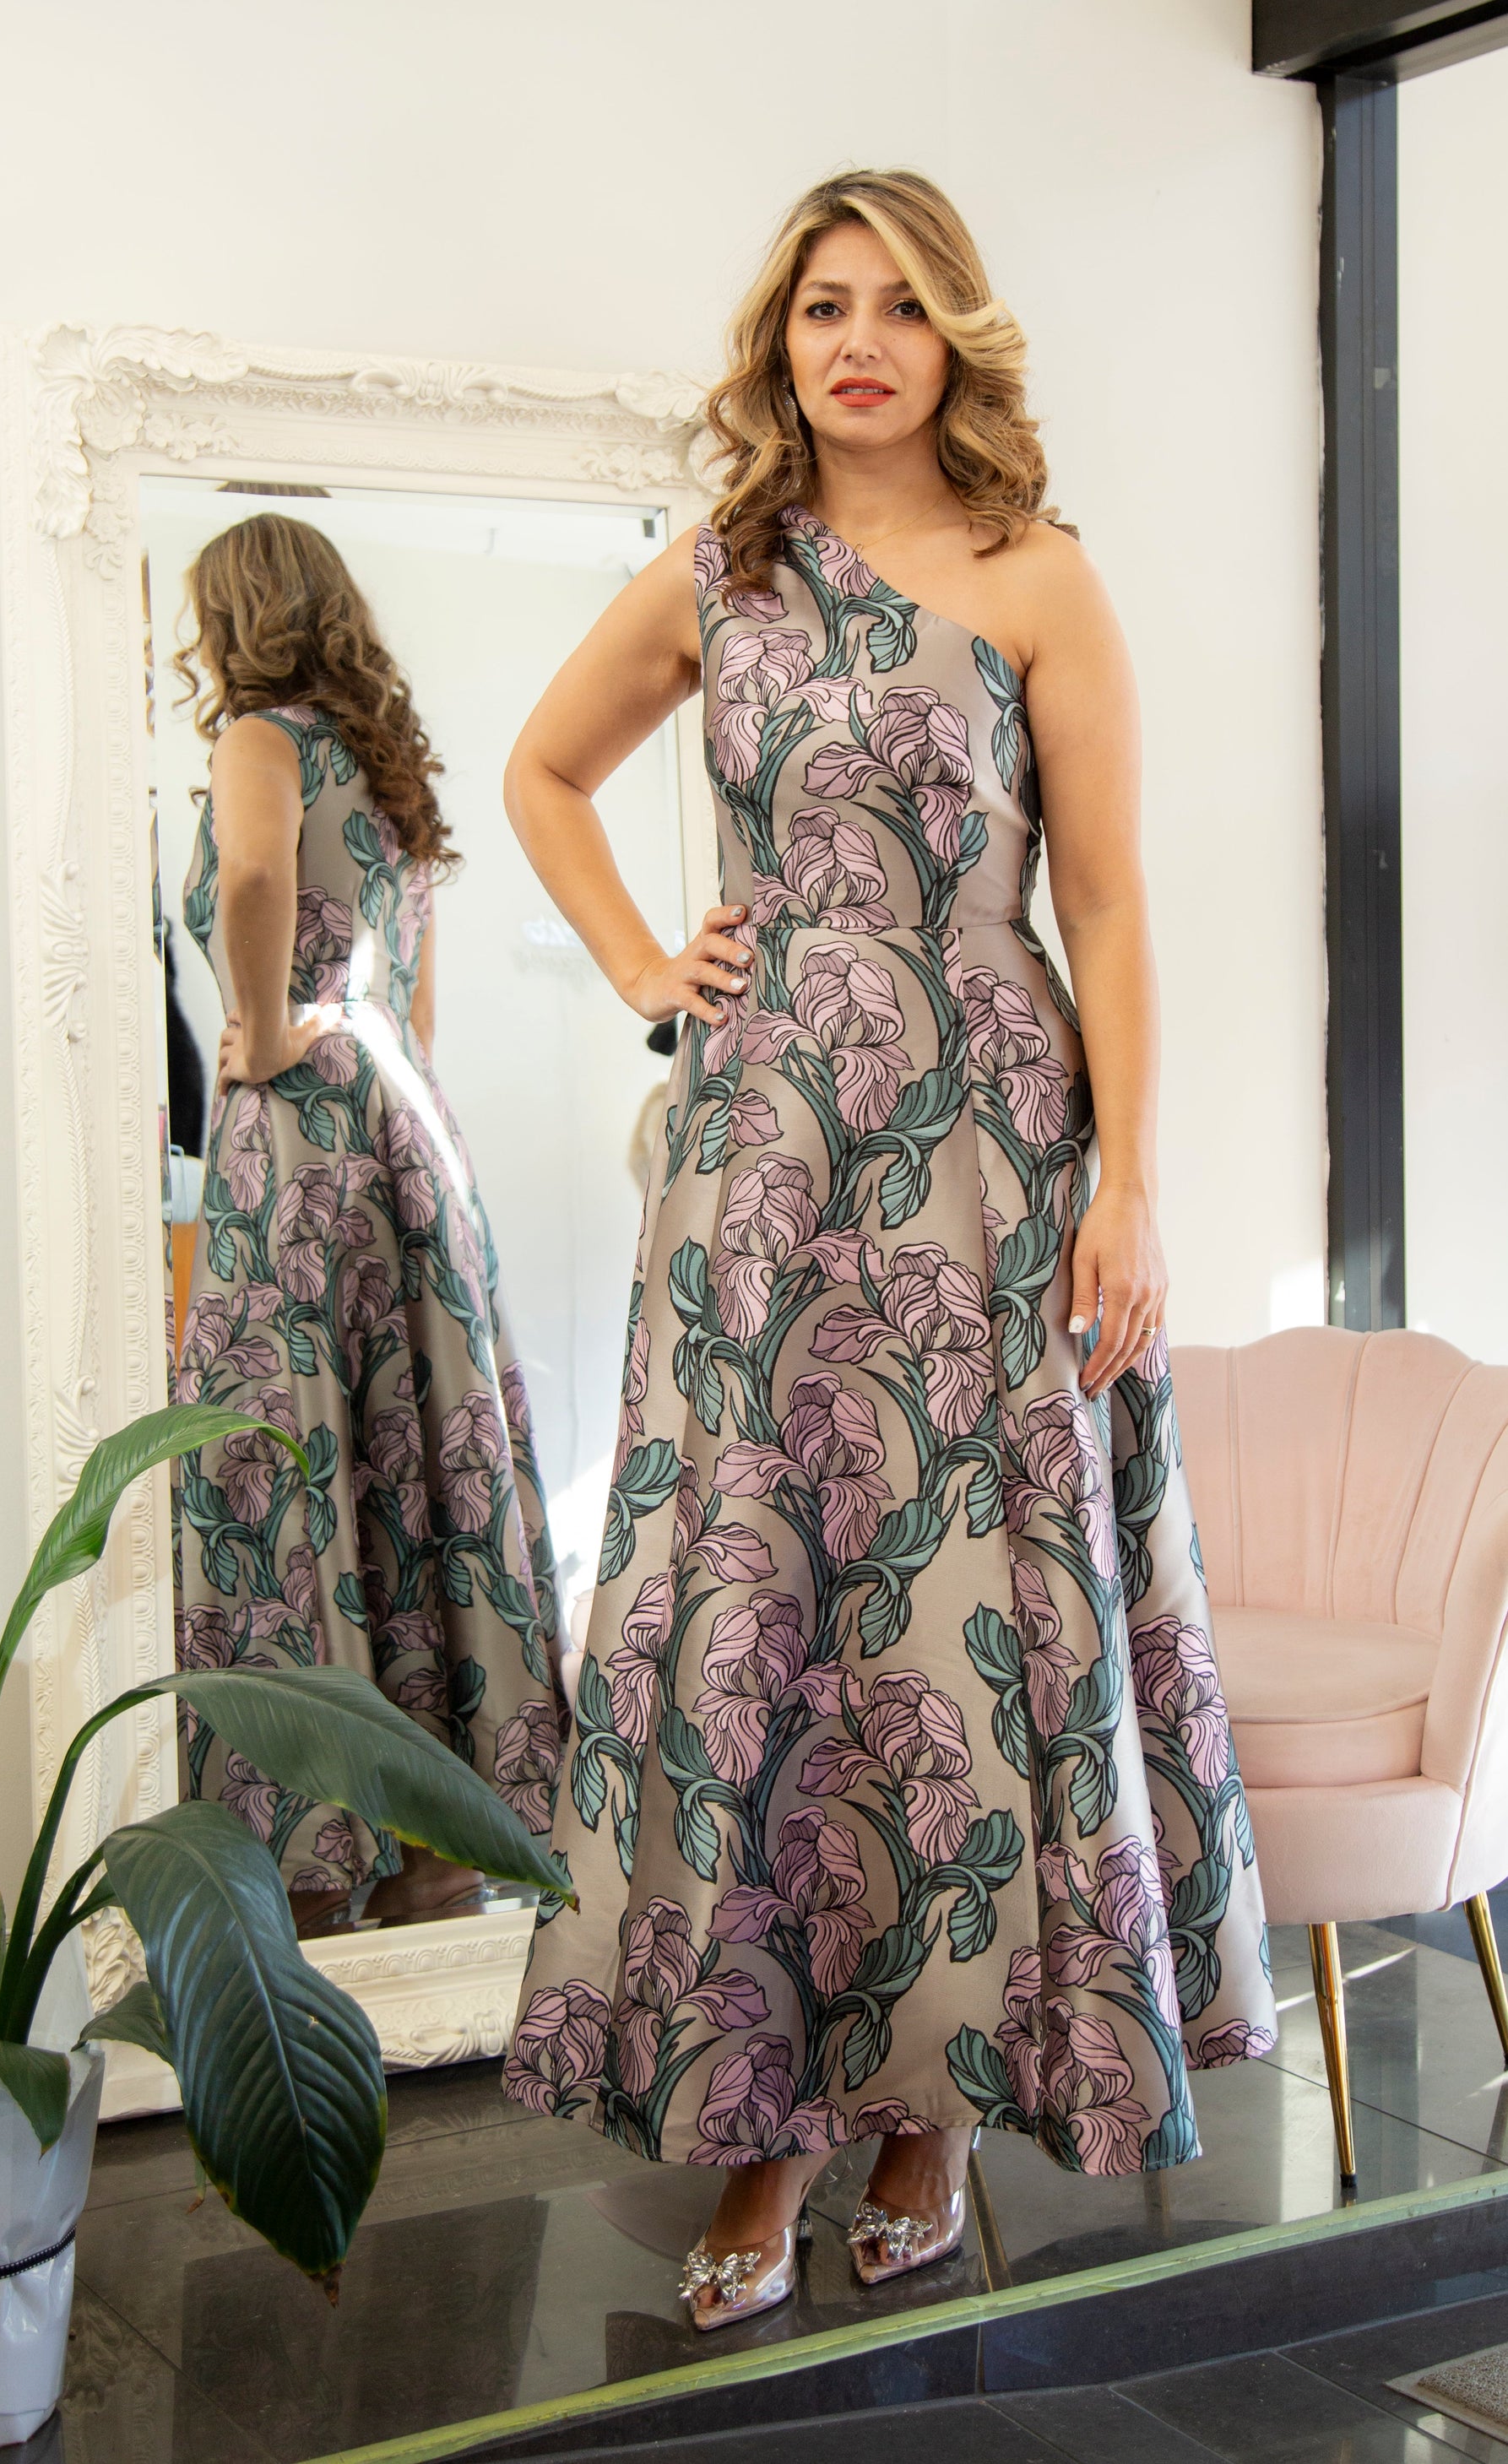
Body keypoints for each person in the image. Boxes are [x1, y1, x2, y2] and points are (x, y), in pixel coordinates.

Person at [499, 170, 1275, 2329]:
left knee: (955, 1628)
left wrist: (1133, 1178)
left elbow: (1105, 903)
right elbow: (545, 774)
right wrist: (662, 962)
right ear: (783, 339)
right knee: (766, 1610)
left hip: (990, 1149)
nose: (860, 339)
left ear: (957, 342)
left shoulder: (1042, 576)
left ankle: (928, 2114)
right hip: (761, 1172)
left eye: (902, 307)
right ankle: (753, 2128)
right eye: (825, 304)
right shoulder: (718, 573)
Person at [171, 513, 563, 1938]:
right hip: (406, 1116)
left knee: (288, 1451)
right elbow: (421, 994)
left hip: (303, 1135)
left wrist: (266, 1033)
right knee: (418, 1461)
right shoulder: (385, 768)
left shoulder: (260, 740)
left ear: (233, 618)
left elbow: (258, 879)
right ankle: (437, 1845)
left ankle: (310, 1854)